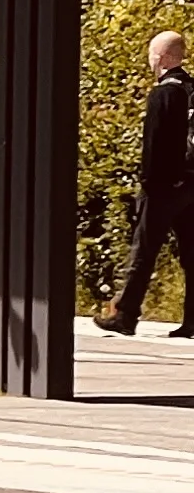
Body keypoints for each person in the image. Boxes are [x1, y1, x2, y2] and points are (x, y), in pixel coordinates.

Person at [96, 29, 194, 338]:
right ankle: (192, 320)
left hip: (164, 185)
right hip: (193, 183)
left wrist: (149, 184)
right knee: (192, 254)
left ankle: (125, 314)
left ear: (161, 57)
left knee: (144, 249)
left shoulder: (164, 93)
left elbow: (154, 143)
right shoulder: (192, 89)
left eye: (152, 54)